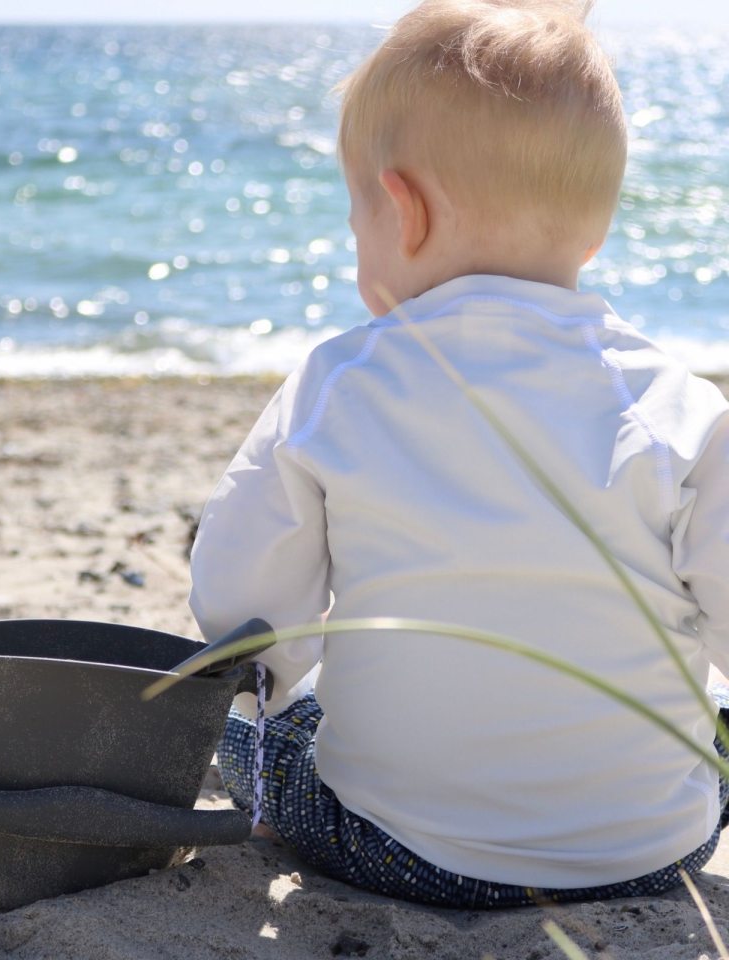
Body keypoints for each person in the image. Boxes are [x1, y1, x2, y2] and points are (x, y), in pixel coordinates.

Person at [187, 0, 729, 907]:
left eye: (355, 213)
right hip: (651, 850)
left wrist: (280, 690)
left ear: (402, 211)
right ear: (594, 229)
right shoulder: (682, 407)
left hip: (399, 848)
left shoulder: (338, 382)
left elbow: (242, 616)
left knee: (252, 739)